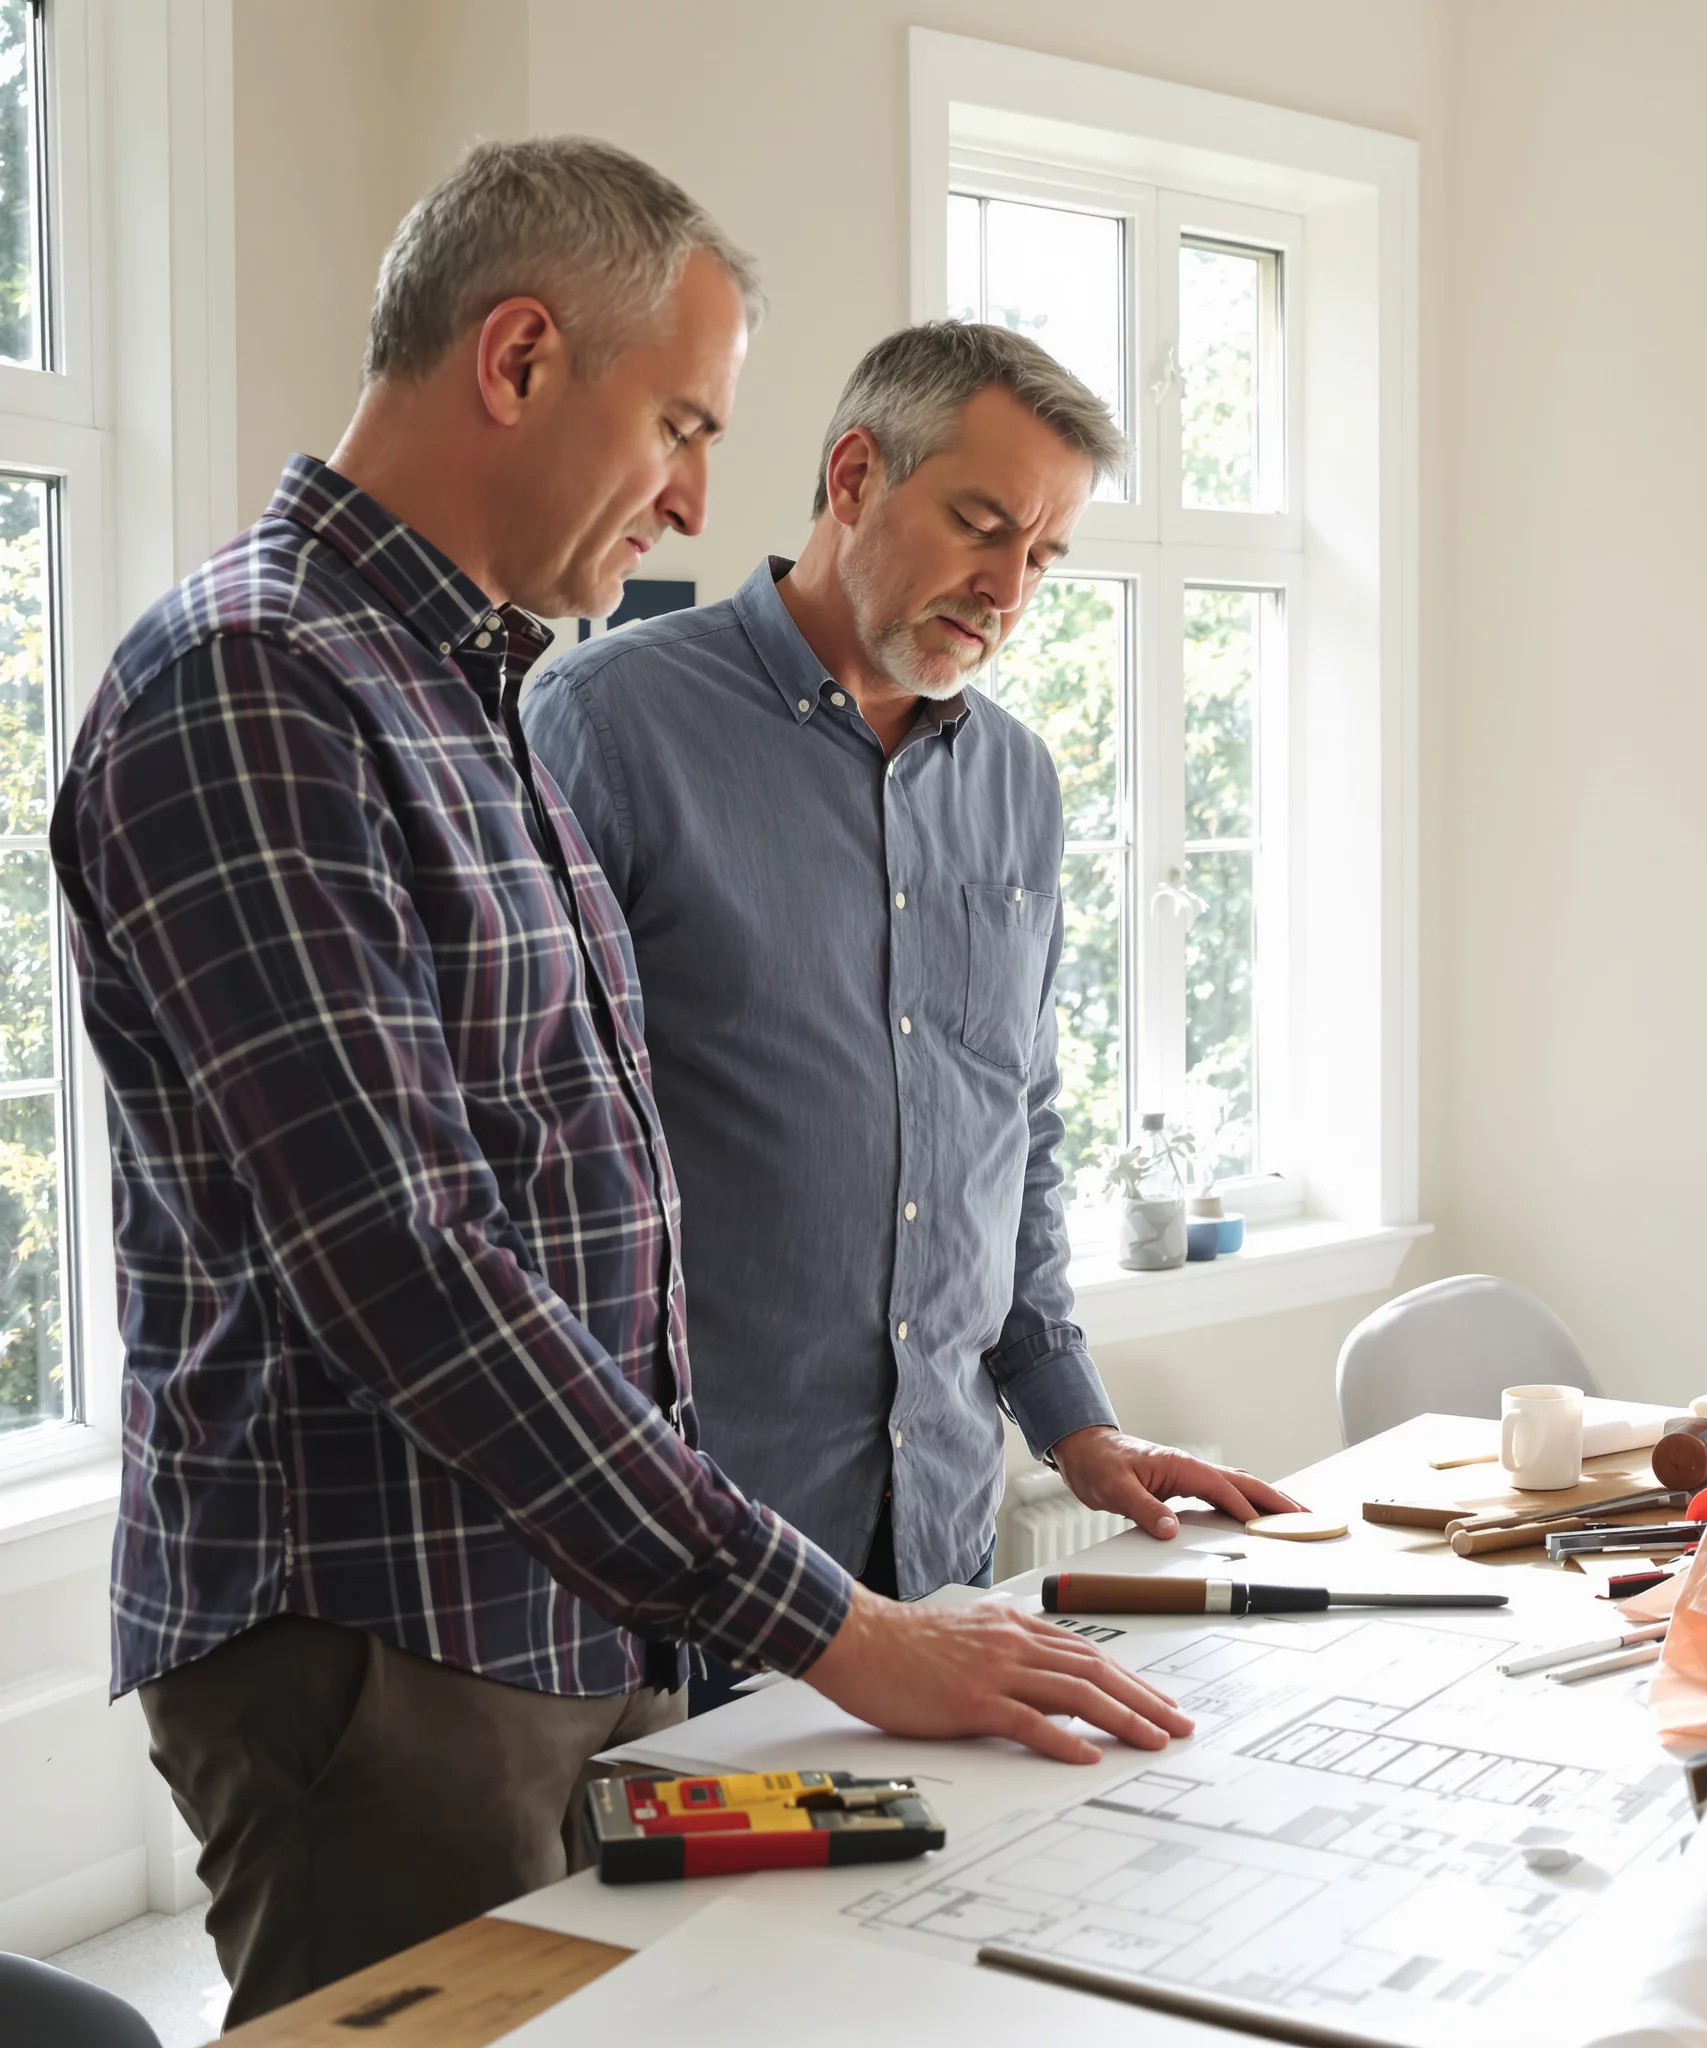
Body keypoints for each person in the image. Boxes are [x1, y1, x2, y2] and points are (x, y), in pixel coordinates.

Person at [50, 142, 1192, 2026]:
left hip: (594, 1613)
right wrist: (830, 1620)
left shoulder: (456, 687)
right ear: (516, 360)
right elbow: (406, 1263)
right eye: (677, 422)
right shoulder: (258, 688)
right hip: (391, 1647)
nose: (686, 497)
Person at [525, 320, 1300, 1711]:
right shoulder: (608, 726)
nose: (1007, 588)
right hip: (680, 1571)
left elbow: (1016, 1125)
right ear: (852, 475)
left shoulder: (1018, 783)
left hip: (936, 1538)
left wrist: (1073, 1425)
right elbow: (527, 1168)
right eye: (980, 524)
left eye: (1045, 557)